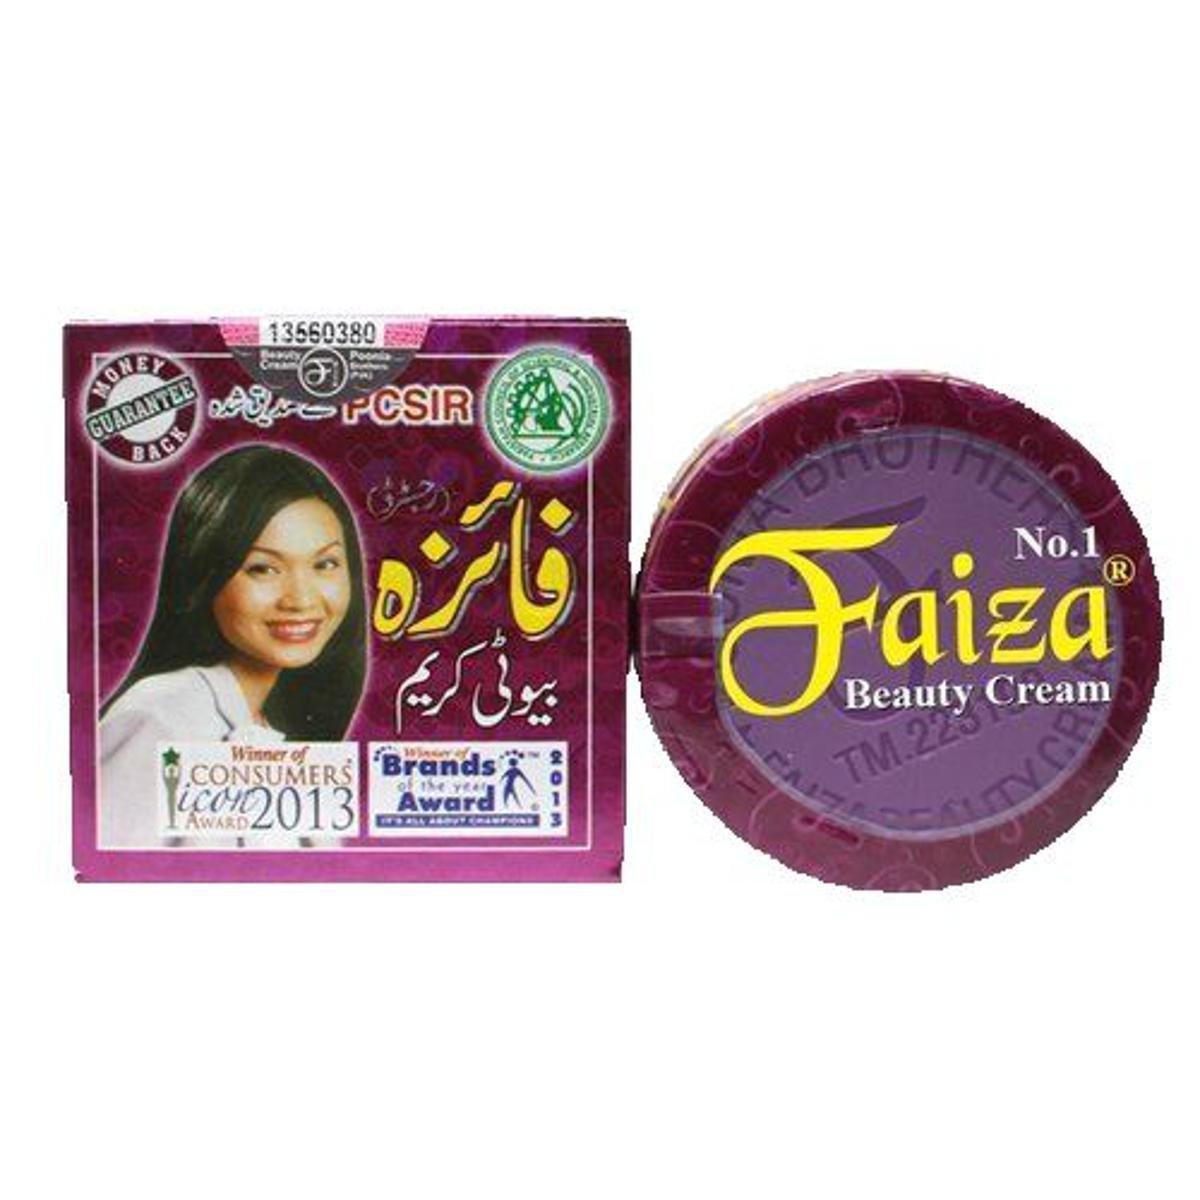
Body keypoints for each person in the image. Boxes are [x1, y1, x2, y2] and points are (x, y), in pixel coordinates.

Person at [100, 445, 366, 848]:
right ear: (203, 574)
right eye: (263, 568)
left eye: (325, 564)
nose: (301, 599)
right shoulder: (158, 718)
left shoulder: (274, 729)